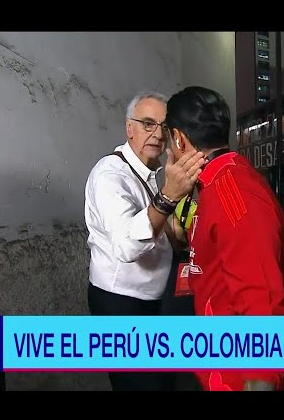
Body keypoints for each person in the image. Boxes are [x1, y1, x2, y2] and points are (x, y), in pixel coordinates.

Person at [164, 86, 284, 392]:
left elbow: (261, 300)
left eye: (169, 143)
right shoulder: (216, 184)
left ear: (179, 139)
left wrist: (261, 379)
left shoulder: (233, 195)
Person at [84, 91, 205, 391]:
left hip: (154, 303)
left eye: (163, 127)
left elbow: (166, 233)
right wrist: (168, 196)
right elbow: (127, 246)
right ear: (129, 128)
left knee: (163, 383)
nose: (156, 134)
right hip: (121, 306)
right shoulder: (110, 175)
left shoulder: (150, 174)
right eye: (147, 124)